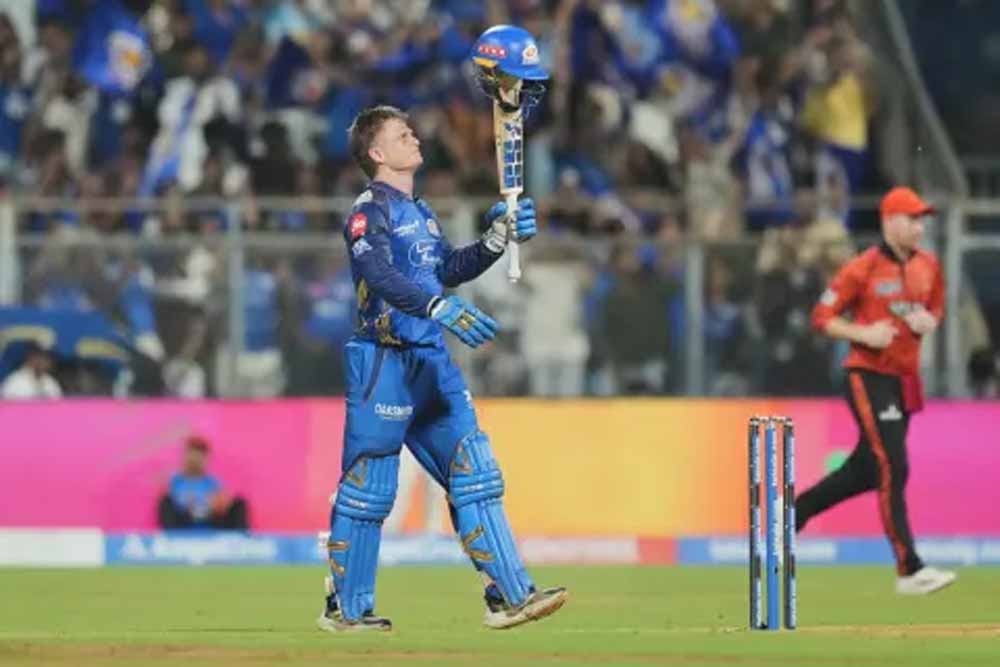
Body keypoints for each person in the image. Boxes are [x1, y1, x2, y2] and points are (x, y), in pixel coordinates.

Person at [318, 28, 567, 634]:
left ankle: (510, 596)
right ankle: (347, 608)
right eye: (401, 134)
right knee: (370, 490)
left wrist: (494, 242)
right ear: (376, 153)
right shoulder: (368, 211)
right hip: (383, 360)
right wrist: (435, 305)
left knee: (476, 473)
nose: (415, 137)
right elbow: (377, 274)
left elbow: (446, 270)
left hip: (430, 360)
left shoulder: (421, 213)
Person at [798, 186, 957, 594]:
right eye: (912, 219)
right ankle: (909, 569)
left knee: (867, 470)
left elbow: (937, 307)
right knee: (893, 466)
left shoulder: (929, 266)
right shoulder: (862, 268)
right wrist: (863, 333)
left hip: (905, 380)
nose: (919, 228)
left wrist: (930, 321)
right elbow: (822, 317)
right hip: (867, 375)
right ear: (889, 222)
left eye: (922, 220)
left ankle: (792, 515)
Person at [157, 436, 249, 530]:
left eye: (199, 457)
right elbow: (171, 506)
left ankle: (241, 536)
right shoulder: (175, 481)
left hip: (210, 521)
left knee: (239, 502)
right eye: (192, 456)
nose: (195, 460)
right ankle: (171, 535)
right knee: (165, 501)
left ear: (206, 459)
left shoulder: (212, 482)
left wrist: (218, 504)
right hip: (184, 522)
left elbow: (221, 506)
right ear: (185, 456)